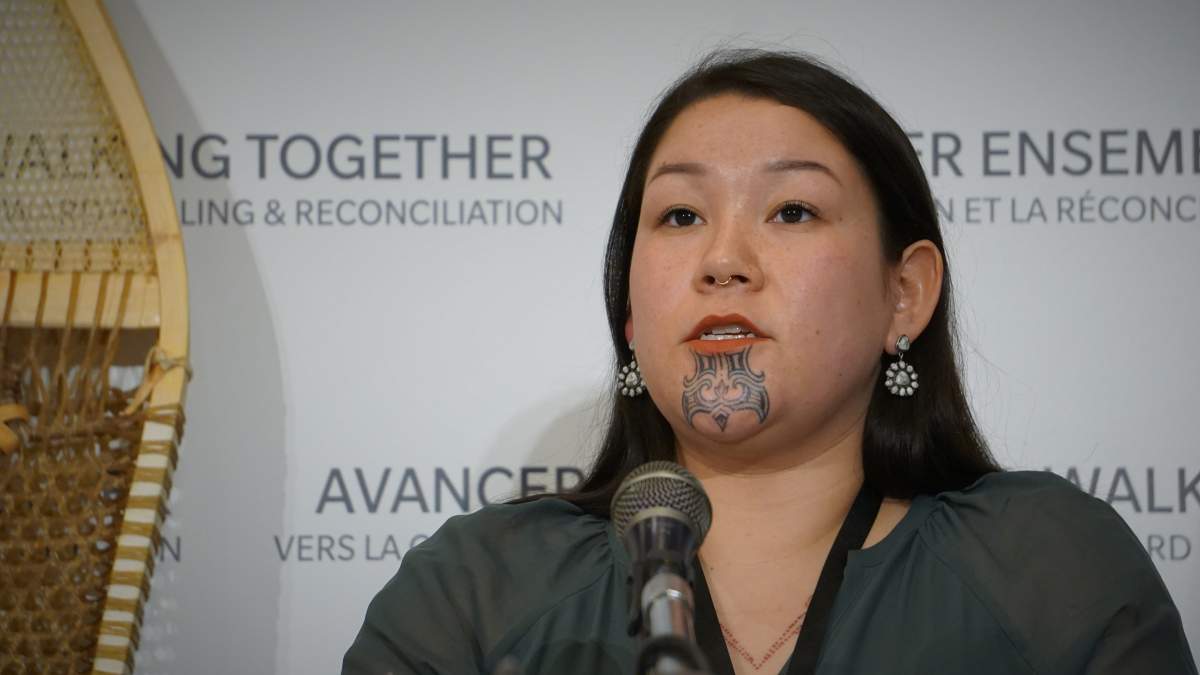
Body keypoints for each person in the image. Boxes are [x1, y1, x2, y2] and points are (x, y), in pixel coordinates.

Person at [342, 49, 1197, 675]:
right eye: (680, 216)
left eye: (791, 209)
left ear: (905, 293)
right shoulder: (476, 591)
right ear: (632, 312)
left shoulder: (1048, 568)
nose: (724, 259)